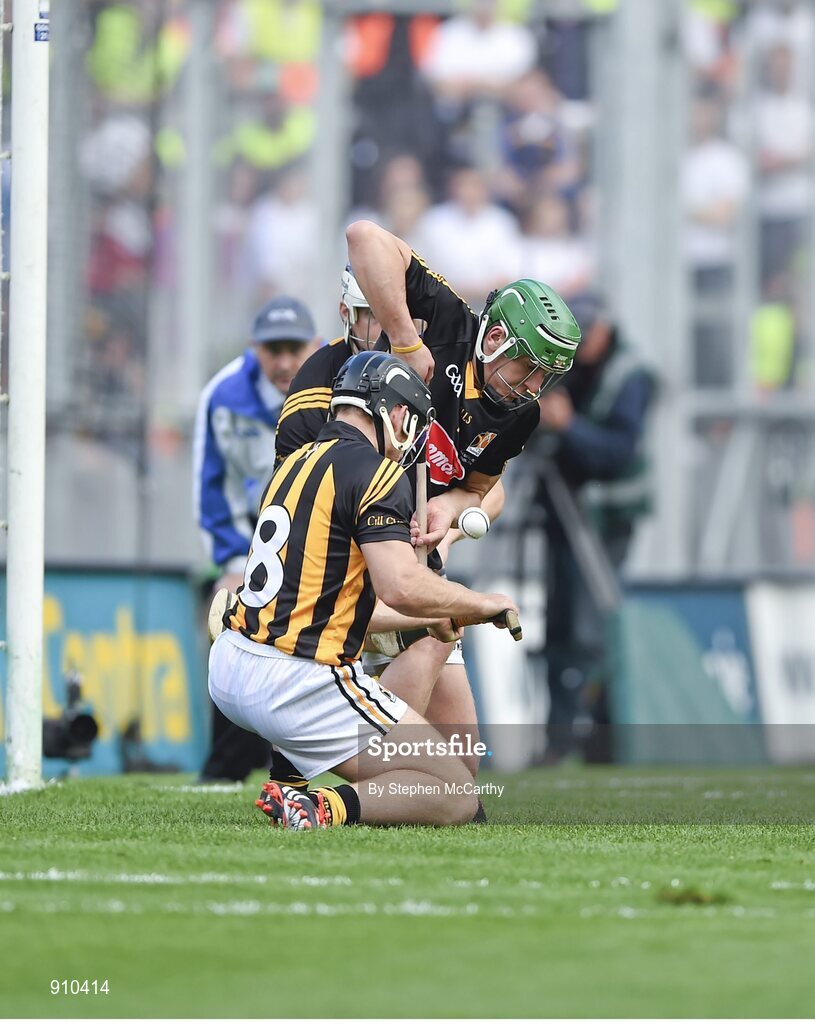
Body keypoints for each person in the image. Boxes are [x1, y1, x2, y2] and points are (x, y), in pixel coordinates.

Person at [208, 351, 519, 828]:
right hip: (295, 681)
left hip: (231, 667)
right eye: (410, 421)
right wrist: (480, 603)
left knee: (441, 769)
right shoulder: (375, 472)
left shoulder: (294, 463)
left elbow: (338, 601)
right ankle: (319, 807)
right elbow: (399, 585)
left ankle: (290, 774)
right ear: (395, 413)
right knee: (457, 794)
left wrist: (432, 614)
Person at [192, 295, 318, 782]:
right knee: (230, 627)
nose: (285, 362)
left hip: (318, 542)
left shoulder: (338, 384)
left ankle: (299, 764)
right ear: (254, 348)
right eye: (273, 350)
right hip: (251, 544)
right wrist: (232, 560)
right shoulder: (224, 395)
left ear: (313, 345)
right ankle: (226, 767)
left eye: (294, 349)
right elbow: (211, 486)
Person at [534, 292, 654, 762]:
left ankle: (598, 736)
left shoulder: (630, 374)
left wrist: (566, 427)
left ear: (605, 327)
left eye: (588, 329)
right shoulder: (564, 367)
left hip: (606, 520)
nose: (581, 339)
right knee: (560, 626)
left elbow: (618, 453)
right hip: (561, 513)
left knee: (588, 630)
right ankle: (559, 738)